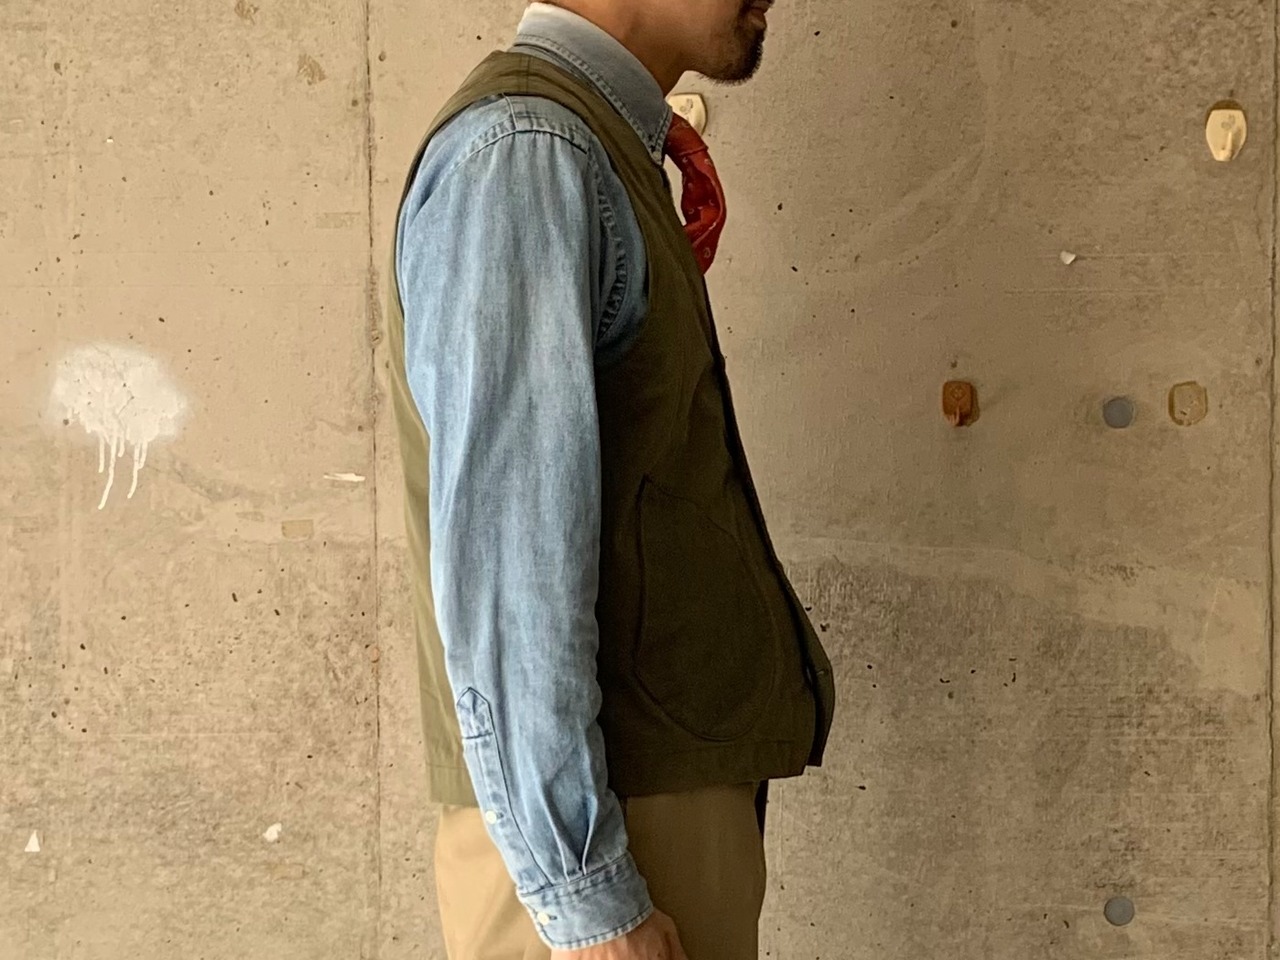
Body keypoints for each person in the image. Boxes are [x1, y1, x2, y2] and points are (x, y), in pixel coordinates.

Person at [385, 2, 836, 958]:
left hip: (637, 817)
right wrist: (585, 897)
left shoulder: (576, 144)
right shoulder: (527, 153)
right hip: (612, 839)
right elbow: (511, 575)